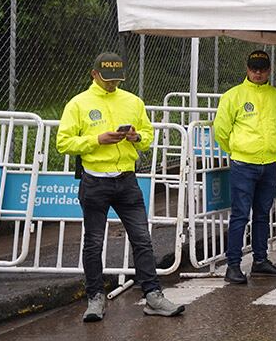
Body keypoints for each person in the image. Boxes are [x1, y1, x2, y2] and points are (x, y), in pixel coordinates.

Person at [57, 52, 184, 322]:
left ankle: (153, 295)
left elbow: (148, 136)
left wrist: (136, 136)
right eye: (106, 80)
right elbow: (64, 142)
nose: (112, 85)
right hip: (94, 180)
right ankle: (95, 299)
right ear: (94, 74)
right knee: (93, 242)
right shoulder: (78, 104)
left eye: (116, 80)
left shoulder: (133, 101)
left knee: (142, 239)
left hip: (127, 179)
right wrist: (97, 140)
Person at [214, 50, 276, 285]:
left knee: (263, 214)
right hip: (243, 163)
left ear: (269, 70)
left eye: (262, 69)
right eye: (254, 68)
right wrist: (238, 150)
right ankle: (233, 265)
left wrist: (270, 146)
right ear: (247, 69)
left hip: (268, 162)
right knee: (240, 215)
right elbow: (221, 131)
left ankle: (260, 260)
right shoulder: (233, 96)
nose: (258, 73)